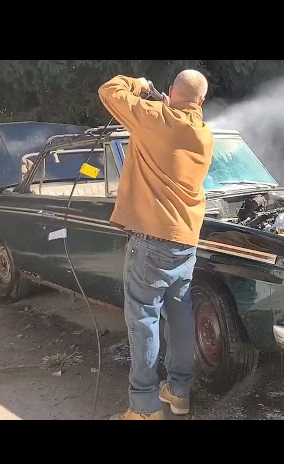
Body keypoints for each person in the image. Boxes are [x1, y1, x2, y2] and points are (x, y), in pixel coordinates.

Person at [97, 70, 214, 420]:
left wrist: (142, 86)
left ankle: (144, 406)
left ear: (170, 92)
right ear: (201, 103)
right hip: (185, 244)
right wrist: (169, 105)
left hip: (150, 243)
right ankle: (178, 393)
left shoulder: (154, 117)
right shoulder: (204, 133)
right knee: (179, 318)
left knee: (143, 321)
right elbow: (181, 117)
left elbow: (109, 91)